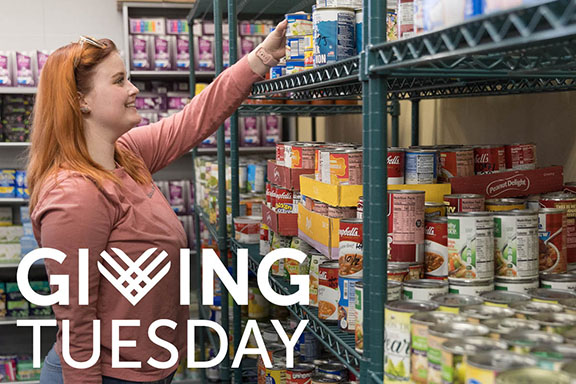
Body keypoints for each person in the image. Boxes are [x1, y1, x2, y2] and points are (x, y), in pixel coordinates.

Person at [28, 19, 287, 384]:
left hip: (147, 370)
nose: (134, 90)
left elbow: (194, 119)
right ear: (80, 101)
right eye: (119, 81)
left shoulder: (127, 155)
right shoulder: (75, 195)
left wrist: (260, 58)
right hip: (106, 377)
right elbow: (77, 326)